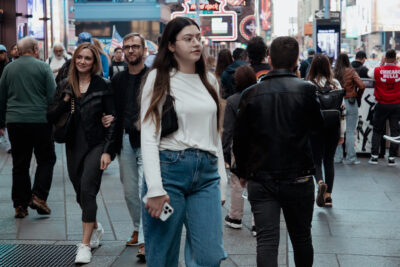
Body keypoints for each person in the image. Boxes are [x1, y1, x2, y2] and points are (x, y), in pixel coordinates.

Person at [140, 17, 227, 267]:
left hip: (207, 174)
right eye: (188, 39)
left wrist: (220, 177)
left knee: (209, 256)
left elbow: (215, 134)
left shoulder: (210, 80)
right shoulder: (158, 77)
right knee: (163, 256)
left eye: (198, 38)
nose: (196, 43)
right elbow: (148, 134)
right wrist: (154, 188)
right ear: (170, 45)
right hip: (169, 170)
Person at [233, 36, 324, 267]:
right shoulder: (306, 90)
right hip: (299, 176)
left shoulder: (251, 94)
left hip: (261, 177)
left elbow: (240, 138)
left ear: (270, 59)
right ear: (296, 61)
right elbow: (317, 131)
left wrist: (242, 171)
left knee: (267, 240)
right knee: (302, 237)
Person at [47, 42, 116, 264]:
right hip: (73, 144)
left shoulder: (103, 85)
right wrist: (66, 99)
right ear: (74, 59)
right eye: (79, 58)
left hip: (96, 143)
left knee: (87, 189)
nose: (82, 62)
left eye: (88, 58)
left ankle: (84, 245)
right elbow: (50, 115)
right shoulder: (65, 84)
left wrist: (108, 151)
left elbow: (112, 118)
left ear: (94, 62)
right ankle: (95, 226)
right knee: (79, 192)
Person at [0, 37, 57, 219]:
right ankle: (39, 196)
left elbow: (2, 97)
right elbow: (52, 96)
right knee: (46, 159)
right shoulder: (43, 67)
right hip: (39, 120)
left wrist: (2, 122)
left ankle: (20, 205)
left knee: (20, 163)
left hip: (15, 121)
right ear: (34, 49)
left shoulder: (9, 68)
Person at [103, 32, 148, 260]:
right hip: (125, 141)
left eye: (135, 47)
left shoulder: (153, 77)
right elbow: (113, 112)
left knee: (144, 189)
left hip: (147, 141)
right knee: (130, 191)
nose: (131, 50)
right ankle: (138, 227)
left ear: (144, 50)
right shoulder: (118, 80)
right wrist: (108, 119)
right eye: (127, 47)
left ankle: (145, 241)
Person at [307, 54, 346, 208]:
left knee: (316, 160)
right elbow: (342, 111)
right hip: (333, 126)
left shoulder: (308, 84)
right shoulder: (335, 83)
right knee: (329, 160)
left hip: (315, 128)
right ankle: (328, 196)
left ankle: (320, 182)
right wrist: (342, 133)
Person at [223, 65, 256, 230]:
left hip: (239, 144)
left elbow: (228, 129)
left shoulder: (232, 100)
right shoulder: (260, 95)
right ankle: (258, 223)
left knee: (236, 180)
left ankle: (235, 217)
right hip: (259, 143)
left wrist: (225, 151)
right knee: (257, 181)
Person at [367, 49, 400, 166]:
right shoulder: (399, 70)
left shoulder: (378, 70)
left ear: (385, 58)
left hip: (381, 104)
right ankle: (391, 158)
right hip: (396, 105)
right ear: (395, 59)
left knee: (377, 130)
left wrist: (381, 63)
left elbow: (369, 74)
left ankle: (374, 157)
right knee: (395, 131)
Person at [334, 53, 365, 164]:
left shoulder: (334, 72)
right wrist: (358, 96)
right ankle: (351, 158)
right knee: (350, 131)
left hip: (337, 103)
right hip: (350, 102)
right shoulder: (351, 71)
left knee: (338, 131)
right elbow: (361, 85)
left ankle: (337, 158)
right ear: (348, 60)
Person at [0, 44, 11, 154]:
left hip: (7, 95)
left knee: (5, 119)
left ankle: (8, 144)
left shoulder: (9, 65)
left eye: (2, 53)